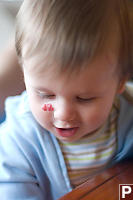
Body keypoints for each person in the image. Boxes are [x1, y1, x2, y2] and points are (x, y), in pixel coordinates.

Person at [0, 0, 133, 199]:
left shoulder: (128, 110)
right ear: (25, 75)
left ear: (119, 83)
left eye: (84, 98)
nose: (63, 113)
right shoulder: (17, 141)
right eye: (45, 95)